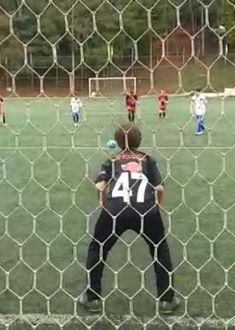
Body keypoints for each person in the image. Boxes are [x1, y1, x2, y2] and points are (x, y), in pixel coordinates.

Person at [79, 123, 179, 314]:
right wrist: (156, 206)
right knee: (159, 249)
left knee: (97, 248)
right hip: (146, 211)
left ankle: (92, 298)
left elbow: (100, 185)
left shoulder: (112, 160)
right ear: (139, 140)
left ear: (117, 142)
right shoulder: (147, 160)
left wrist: (102, 203)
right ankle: (167, 300)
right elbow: (160, 188)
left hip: (114, 211)